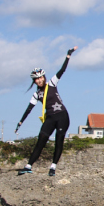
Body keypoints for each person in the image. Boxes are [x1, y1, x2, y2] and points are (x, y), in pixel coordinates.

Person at [15, 47, 77, 176]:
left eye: (41, 77)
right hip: (50, 118)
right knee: (41, 140)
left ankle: (53, 167)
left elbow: (62, 70)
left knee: (59, 140)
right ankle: (28, 166)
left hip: (62, 116)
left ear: (44, 77)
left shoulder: (52, 84)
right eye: (36, 79)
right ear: (34, 81)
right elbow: (29, 109)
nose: (39, 80)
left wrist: (68, 56)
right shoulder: (36, 94)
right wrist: (20, 122)